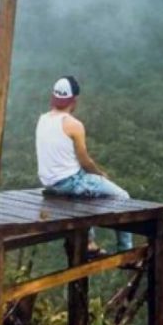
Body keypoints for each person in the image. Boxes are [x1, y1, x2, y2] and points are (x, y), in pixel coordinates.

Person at [35, 75, 132, 257]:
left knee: (88, 192)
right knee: (122, 197)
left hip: (49, 185)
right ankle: (126, 252)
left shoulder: (42, 120)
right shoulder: (74, 125)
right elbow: (85, 161)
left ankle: (89, 242)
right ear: (74, 100)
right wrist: (100, 175)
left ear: (53, 98)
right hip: (71, 183)